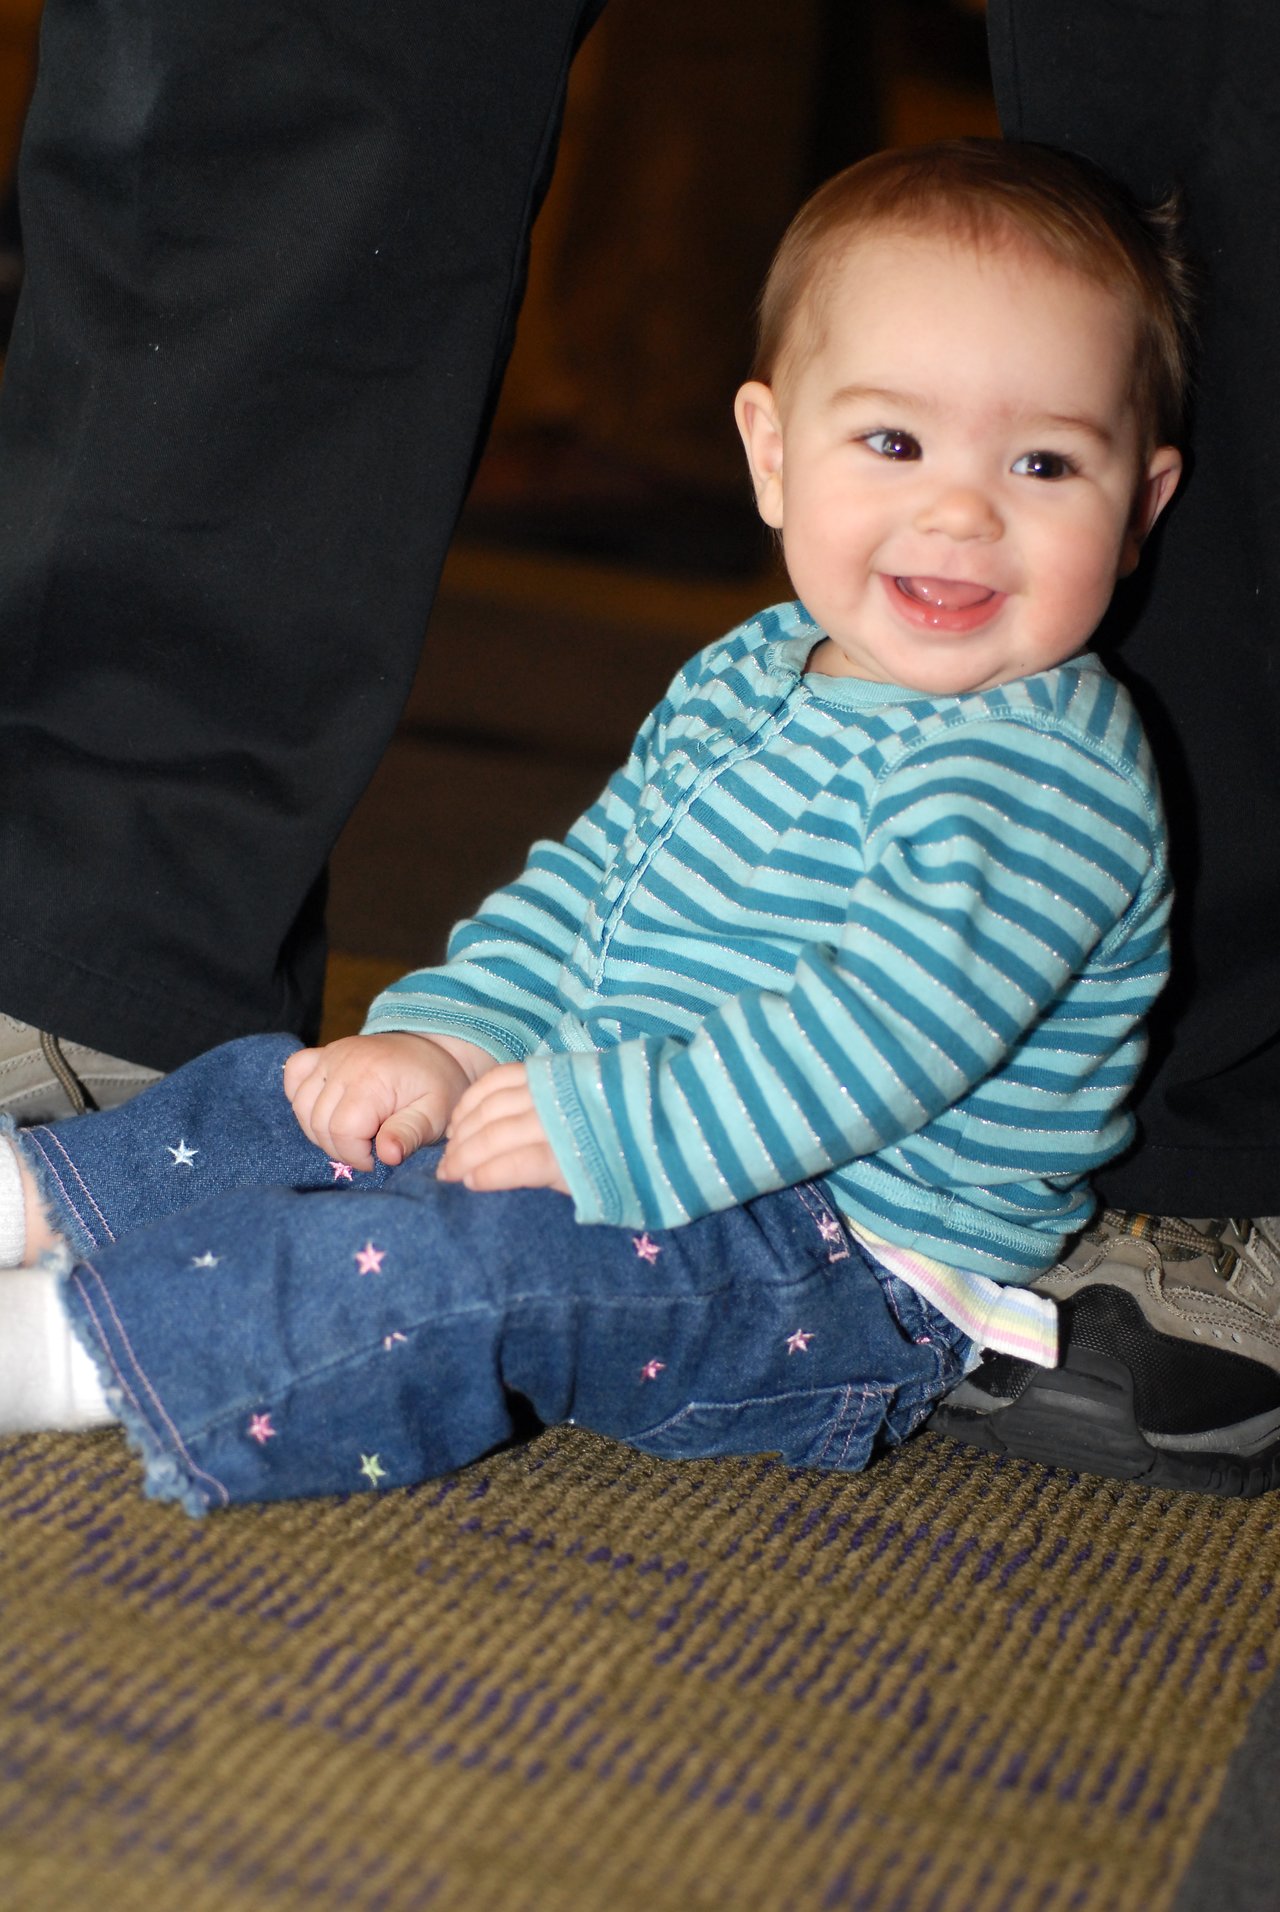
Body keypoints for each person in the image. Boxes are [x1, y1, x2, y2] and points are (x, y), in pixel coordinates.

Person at [0, 139, 1187, 1511]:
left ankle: (67, 1350)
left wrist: (615, 1129)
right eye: (895, 441)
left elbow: (883, 1038)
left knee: (452, 1268)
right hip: (605, 1121)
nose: (962, 509)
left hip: (833, 1263)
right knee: (303, 1096)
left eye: (1043, 463)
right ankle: (40, 1205)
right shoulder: (753, 667)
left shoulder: (1051, 771)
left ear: (1140, 505)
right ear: (774, 452)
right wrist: (448, 1040)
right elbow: (588, 890)